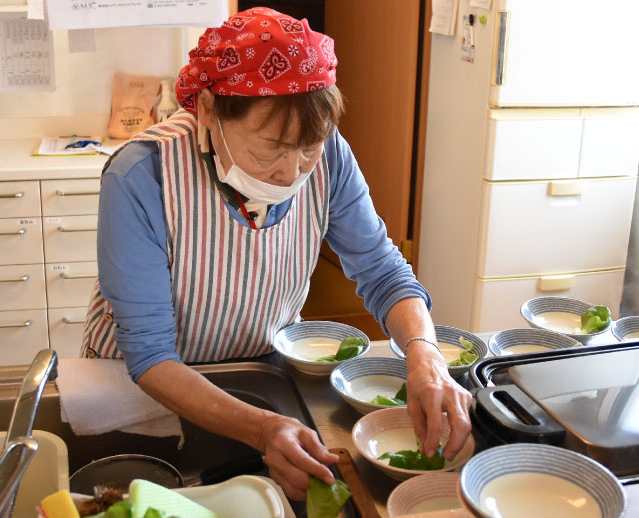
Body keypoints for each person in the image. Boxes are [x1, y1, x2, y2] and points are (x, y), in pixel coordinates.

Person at [83, 6, 472, 500]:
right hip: (139, 399)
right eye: (270, 151)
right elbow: (151, 354)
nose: (292, 174)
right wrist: (265, 430)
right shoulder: (142, 176)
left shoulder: (330, 156)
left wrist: (425, 354)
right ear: (207, 109)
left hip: (258, 375)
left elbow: (383, 271)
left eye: (308, 148)